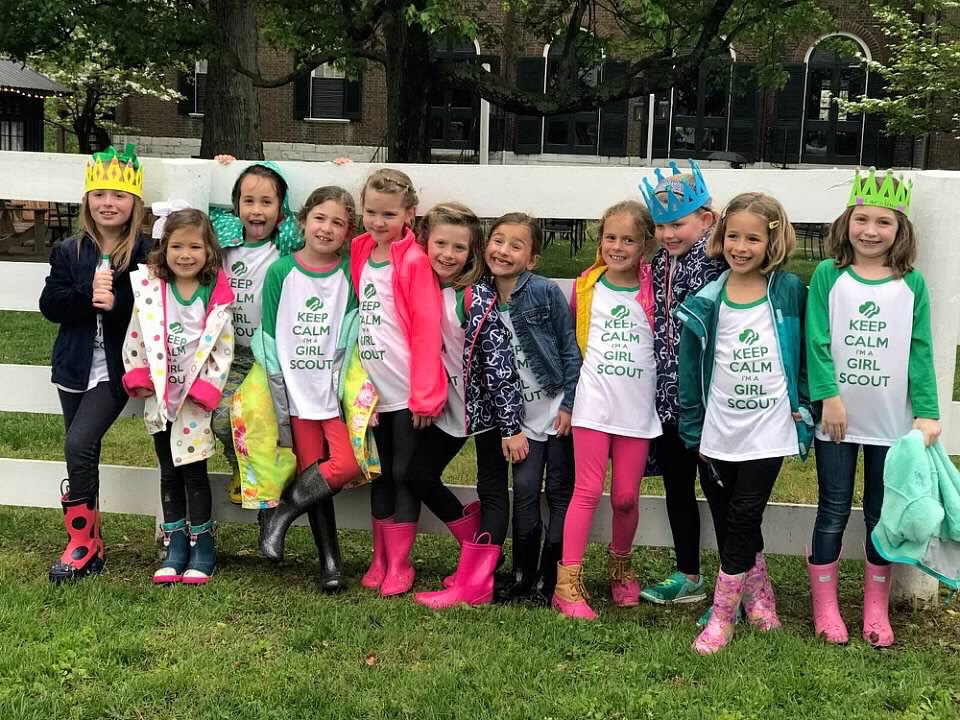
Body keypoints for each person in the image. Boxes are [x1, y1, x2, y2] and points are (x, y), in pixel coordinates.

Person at [805, 168, 940, 648]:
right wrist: (829, 397)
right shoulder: (829, 275)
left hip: (891, 424)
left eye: (884, 222)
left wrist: (927, 411)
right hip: (838, 420)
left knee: (882, 514)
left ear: (900, 229)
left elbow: (920, 350)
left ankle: (875, 610)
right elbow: (817, 340)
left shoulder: (912, 284)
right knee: (833, 509)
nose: (870, 231)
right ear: (847, 223)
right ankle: (825, 609)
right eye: (862, 219)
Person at [677, 192, 814, 654]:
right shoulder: (706, 301)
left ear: (772, 241)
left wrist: (806, 404)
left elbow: (807, 352)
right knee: (728, 516)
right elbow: (690, 371)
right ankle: (758, 599)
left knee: (744, 512)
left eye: (753, 238)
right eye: (733, 236)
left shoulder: (790, 290)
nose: (740, 247)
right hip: (719, 430)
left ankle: (722, 618)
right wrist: (693, 429)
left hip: (769, 427)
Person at [39, 144, 151, 584]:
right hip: (73, 366)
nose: (108, 203)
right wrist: (88, 294)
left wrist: (117, 302)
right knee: (83, 453)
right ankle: (89, 541)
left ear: (134, 203)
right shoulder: (69, 251)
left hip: (116, 369)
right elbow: (51, 305)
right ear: (87, 200)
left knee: (77, 444)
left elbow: (153, 310)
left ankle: (80, 544)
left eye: (119, 195)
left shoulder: (144, 252)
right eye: (99, 194)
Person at [408, 202, 526, 609]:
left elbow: (499, 363)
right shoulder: (422, 284)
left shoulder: (474, 297)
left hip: (489, 409)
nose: (448, 254)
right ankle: (477, 551)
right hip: (450, 407)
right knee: (418, 474)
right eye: (440, 244)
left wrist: (510, 426)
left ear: (471, 251)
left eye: (459, 247)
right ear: (425, 241)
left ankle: (476, 583)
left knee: (491, 487)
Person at [553, 201, 661, 619]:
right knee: (586, 490)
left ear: (645, 245)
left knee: (626, 498)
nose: (618, 246)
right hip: (593, 405)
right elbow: (572, 346)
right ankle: (567, 584)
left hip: (637, 409)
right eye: (610, 237)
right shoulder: (587, 286)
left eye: (628, 240)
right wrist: (568, 401)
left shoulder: (655, 287)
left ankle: (620, 566)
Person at [254, 186, 365, 592]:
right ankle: (330, 563)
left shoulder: (350, 272)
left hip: (332, 393)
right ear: (303, 222)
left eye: (338, 222)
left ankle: (281, 513)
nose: (326, 228)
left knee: (347, 464)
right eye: (319, 218)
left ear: (348, 232)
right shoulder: (281, 272)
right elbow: (268, 334)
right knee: (312, 472)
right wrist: (278, 386)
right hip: (296, 393)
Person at [122, 208, 234, 584]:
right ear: (164, 248)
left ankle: (203, 546)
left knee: (195, 474)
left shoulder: (214, 295)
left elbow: (223, 350)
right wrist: (138, 375)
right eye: (177, 246)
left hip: (193, 403)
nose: (185, 255)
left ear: (209, 251)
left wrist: (206, 389)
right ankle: (176, 545)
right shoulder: (152, 292)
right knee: (168, 473)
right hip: (161, 398)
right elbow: (136, 334)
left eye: (195, 247)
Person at [350, 168, 446, 597]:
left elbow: (426, 329)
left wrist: (424, 396)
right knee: (381, 472)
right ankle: (380, 557)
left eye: (389, 214)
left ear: (410, 214)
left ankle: (400, 563)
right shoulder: (360, 250)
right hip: (371, 391)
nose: (378, 221)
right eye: (371, 212)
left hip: (406, 391)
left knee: (405, 473)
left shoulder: (413, 261)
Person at [638, 159, 725, 609]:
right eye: (660, 226)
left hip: (707, 399)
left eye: (677, 224)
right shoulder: (660, 261)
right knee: (677, 486)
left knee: (720, 491)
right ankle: (688, 573)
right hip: (668, 398)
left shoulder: (716, 258)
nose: (668, 234)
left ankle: (735, 585)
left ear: (705, 219)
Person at [485, 212, 581, 603]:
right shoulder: (481, 297)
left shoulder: (544, 292)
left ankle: (548, 577)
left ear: (532, 259)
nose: (504, 251)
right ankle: (522, 574)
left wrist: (570, 405)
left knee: (558, 491)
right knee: (524, 490)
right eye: (498, 240)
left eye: (516, 245)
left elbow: (569, 349)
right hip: (519, 419)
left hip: (556, 410)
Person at [209, 159, 304, 504]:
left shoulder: (285, 243)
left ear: (281, 208)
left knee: (259, 419)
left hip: (267, 357)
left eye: (267, 202)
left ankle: (264, 477)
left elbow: (324, 220)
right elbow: (200, 210)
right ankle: (240, 465)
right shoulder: (223, 240)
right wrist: (221, 170)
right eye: (248, 201)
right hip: (228, 353)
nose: (257, 210)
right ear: (236, 205)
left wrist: (339, 170)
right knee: (221, 418)